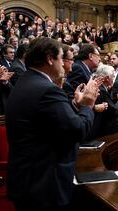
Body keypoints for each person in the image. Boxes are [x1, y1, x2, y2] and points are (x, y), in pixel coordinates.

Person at [6, 37, 99, 210]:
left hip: (26, 180)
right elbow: (77, 130)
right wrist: (88, 104)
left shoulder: (26, 82)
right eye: (61, 58)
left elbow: (48, 121)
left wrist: (75, 105)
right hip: (44, 186)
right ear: (50, 58)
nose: (64, 64)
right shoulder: (48, 89)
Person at [92, 64, 118, 137]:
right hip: (103, 132)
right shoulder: (102, 90)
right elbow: (114, 111)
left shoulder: (101, 88)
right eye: (113, 76)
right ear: (107, 78)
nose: (114, 78)